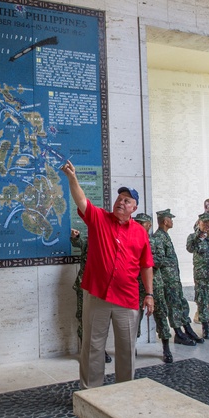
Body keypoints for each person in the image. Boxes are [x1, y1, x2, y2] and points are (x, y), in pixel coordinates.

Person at [61, 161, 154, 389]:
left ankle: (125, 391)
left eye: (127, 201)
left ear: (134, 208)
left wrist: (150, 294)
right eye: (119, 198)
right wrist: (72, 178)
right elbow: (81, 201)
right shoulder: (99, 218)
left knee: (126, 348)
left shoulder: (140, 233)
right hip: (98, 296)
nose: (121, 202)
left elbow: (146, 265)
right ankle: (91, 393)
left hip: (127, 299)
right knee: (93, 347)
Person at [152, 209, 201, 348]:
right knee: (173, 306)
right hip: (167, 280)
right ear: (165, 221)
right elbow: (158, 260)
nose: (172, 221)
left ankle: (187, 328)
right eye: (170, 219)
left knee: (181, 304)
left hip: (174, 278)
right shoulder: (158, 238)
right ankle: (178, 333)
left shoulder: (165, 236)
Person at [136, 212, 174, 363]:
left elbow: (159, 261)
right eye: (137, 223)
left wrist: (143, 258)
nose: (139, 225)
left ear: (149, 225)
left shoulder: (156, 241)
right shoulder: (131, 240)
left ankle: (166, 347)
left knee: (160, 315)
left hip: (154, 284)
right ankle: (132, 347)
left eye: (142, 223)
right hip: (136, 284)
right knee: (133, 318)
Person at [71, 228, 113, 365]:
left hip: (101, 287)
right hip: (85, 286)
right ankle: (86, 351)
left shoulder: (110, 243)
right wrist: (76, 237)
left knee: (99, 320)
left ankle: (99, 350)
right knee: (84, 318)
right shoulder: (89, 241)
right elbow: (79, 242)